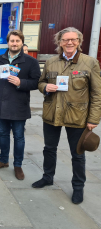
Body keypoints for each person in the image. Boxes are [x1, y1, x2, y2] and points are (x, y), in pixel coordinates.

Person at [32, 27, 101, 204]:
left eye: (73, 40)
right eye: (65, 40)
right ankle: (48, 177)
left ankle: (78, 187)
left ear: (79, 41)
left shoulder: (90, 62)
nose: (69, 43)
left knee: (77, 154)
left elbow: (96, 93)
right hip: (52, 113)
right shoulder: (51, 62)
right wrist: (45, 88)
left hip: (77, 115)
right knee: (49, 149)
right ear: (59, 42)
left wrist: (93, 119)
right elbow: (41, 83)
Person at [0, 30, 41, 180]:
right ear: (8, 42)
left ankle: (18, 165)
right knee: (3, 134)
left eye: (17, 41)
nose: (14, 43)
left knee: (18, 137)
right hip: (1, 104)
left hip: (18, 105)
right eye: (12, 41)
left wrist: (21, 83)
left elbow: (36, 82)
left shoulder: (31, 62)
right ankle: (3, 160)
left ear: (22, 43)